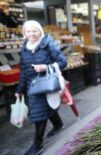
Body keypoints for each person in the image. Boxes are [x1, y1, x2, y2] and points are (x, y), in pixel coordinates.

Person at [15, 20, 67, 155]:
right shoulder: (25, 47)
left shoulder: (48, 44)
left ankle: (37, 145)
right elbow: (23, 70)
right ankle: (58, 124)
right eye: (28, 31)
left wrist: (46, 67)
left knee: (39, 114)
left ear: (40, 31)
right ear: (24, 33)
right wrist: (20, 89)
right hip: (31, 87)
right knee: (44, 109)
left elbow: (63, 62)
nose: (31, 34)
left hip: (46, 85)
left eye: (34, 30)